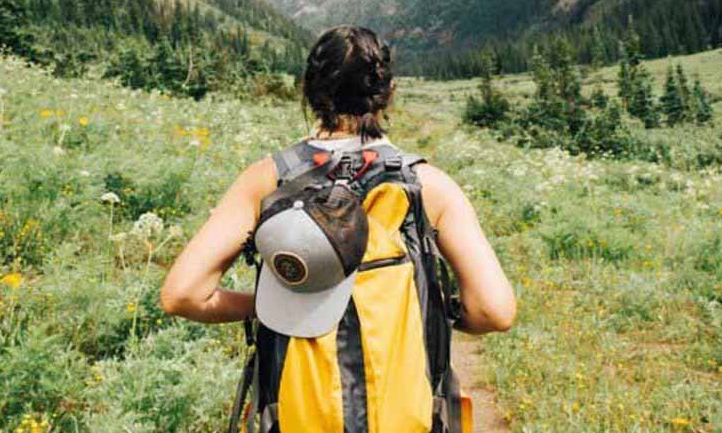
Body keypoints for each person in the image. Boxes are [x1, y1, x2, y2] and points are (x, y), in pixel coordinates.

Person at [160, 24, 515, 431]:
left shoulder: (267, 180)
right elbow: (495, 310)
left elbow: (182, 295)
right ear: (389, 92)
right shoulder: (427, 185)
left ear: (309, 92)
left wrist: (273, 305)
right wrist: (434, 309)